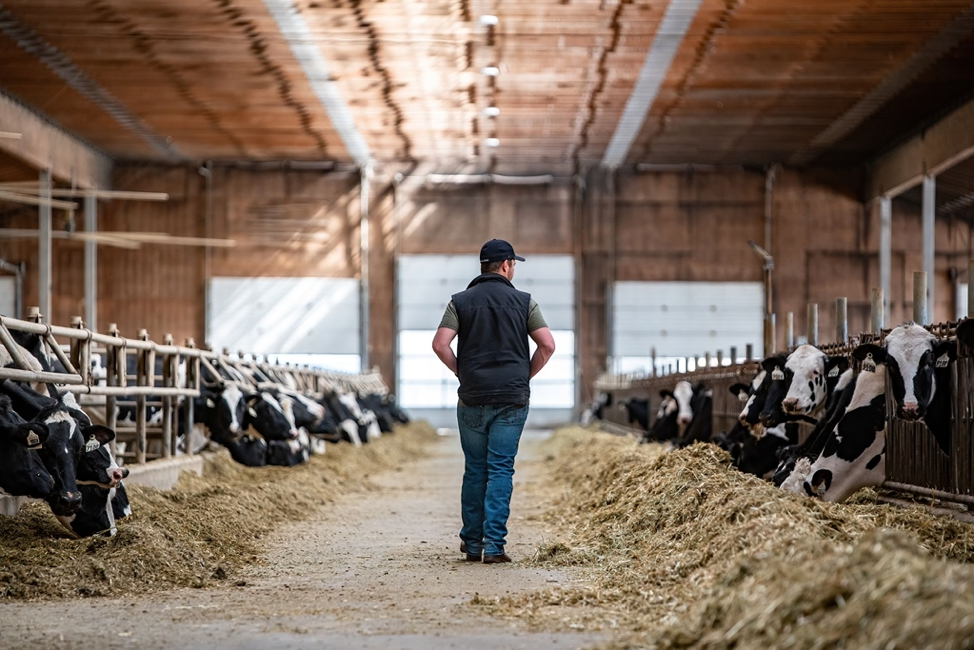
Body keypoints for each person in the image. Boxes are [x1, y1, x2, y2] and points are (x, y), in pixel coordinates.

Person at [431, 239, 556, 564]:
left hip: (472, 396)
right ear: (505, 265)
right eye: (513, 264)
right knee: (501, 467)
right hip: (511, 399)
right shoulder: (524, 302)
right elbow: (547, 346)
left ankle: (472, 545)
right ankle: (495, 547)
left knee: (475, 469)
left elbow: (440, 344)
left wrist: (464, 373)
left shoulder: (460, 301)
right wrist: (523, 375)